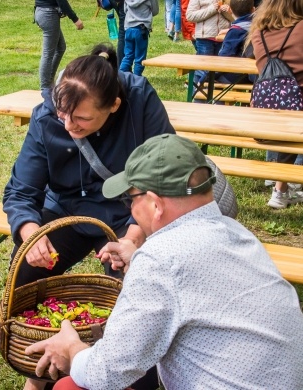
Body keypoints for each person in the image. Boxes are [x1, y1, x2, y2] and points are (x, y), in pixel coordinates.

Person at [25, 134, 303, 390]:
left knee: (69, 387)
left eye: (129, 199)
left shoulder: (160, 259)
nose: (130, 209)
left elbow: (107, 373)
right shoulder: (239, 234)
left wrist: (72, 349)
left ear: (156, 205)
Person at [3, 42, 175, 390]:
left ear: (114, 105)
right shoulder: (47, 113)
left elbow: (162, 173)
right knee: (25, 269)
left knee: (137, 285)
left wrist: (132, 238)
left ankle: (129, 377)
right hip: (65, 208)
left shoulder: (139, 99)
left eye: (81, 118)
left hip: (125, 212)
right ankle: (38, 372)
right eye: (62, 114)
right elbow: (22, 190)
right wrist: (31, 232)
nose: (68, 125)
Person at [247, 0, 303, 209]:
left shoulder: (258, 33)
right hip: (295, 113)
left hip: (264, 113)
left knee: (287, 115)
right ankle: (281, 186)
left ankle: (280, 189)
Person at [34, 0, 84, 91]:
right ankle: (45, 88)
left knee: (61, 47)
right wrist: (75, 19)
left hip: (42, 12)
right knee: (48, 53)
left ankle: (49, 82)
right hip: (48, 14)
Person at [186, 0, 232, 84]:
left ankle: (215, 94)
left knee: (220, 70)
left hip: (223, 39)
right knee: (203, 70)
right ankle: (198, 93)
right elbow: (190, 16)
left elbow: (236, 18)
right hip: (205, 39)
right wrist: (212, 9)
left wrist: (228, 12)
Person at [216, 0, 255, 84]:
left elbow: (224, 57)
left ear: (230, 9)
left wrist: (207, 77)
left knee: (206, 86)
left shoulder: (235, 31)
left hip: (237, 75)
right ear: (253, 10)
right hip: (255, 75)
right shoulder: (259, 27)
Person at [119, 0, 159, 76]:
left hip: (129, 28)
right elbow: (155, 11)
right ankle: (136, 79)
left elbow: (125, 10)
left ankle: (120, 77)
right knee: (139, 59)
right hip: (141, 29)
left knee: (128, 56)